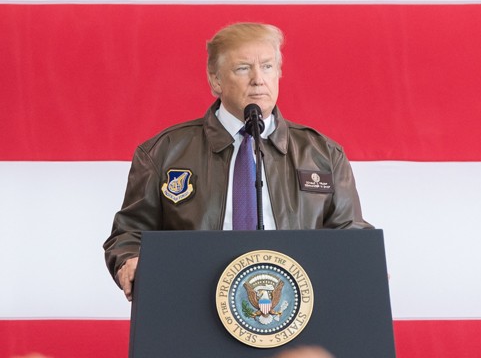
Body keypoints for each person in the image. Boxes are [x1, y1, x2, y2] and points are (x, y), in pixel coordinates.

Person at [103, 22, 368, 299]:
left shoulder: (323, 154)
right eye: (243, 68)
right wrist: (129, 259)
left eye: (267, 67)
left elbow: (350, 235)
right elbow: (129, 234)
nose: (258, 79)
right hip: (192, 300)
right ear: (215, 80)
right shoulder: (163, 152)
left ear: (278, 73)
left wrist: (365, 262)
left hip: (295, 309)